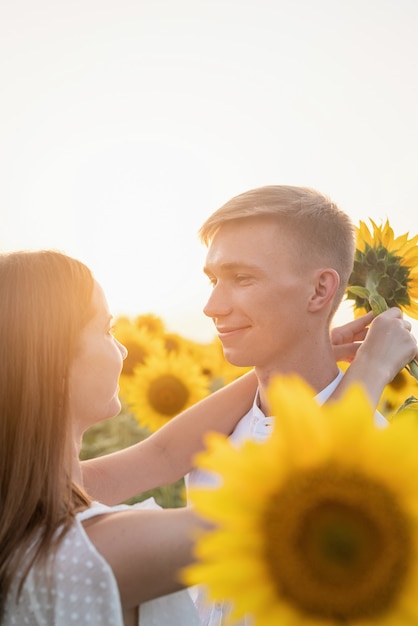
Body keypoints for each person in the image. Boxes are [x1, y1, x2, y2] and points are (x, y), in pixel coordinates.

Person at [184, 184, 418, 625]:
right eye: (213, 280)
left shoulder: (379, 468)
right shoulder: (209, 436)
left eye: (242, 278)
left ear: (319, 291)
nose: (211, 306)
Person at [0, 249, 259, 626]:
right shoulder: (92, 551)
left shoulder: (23, 505)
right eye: (106, 330)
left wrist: (280, 368)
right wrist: (368, 368)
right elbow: (281, 521)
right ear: (55, 364)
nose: (122, 349)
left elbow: (163, 455)